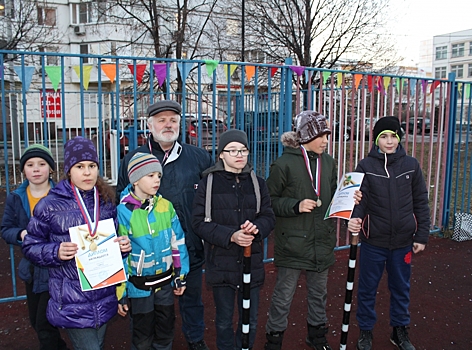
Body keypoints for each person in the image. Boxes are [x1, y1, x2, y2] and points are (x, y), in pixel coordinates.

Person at [116, 100, 213, 350]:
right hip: (145, 255)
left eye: (173, 120)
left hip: (186, 247)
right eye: (161, 120)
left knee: (191, 299)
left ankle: (195, 339)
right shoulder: (133, 158)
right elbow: (122, 198)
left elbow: (212, 198)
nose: (167, 124)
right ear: (150, 125)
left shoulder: (200, 157)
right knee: (148, 311)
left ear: (181, 124)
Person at [22, 136, 131, 350]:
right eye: (80, 166)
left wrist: (123, 248)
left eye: (92, 166)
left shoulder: (107, 202)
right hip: (72, 300)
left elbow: (114, 244)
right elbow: (29, 246)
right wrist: (55, 251)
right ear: (69, 170)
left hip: (104, 295)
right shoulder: (49, 205)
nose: (87, 172)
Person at [264, 111, 361, 350]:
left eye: (327, 134)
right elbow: (269, 201)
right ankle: (273, 342)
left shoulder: (328, 161)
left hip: (321, 241)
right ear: (306, 135)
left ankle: (317, 338)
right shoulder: (283, 164)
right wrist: (295, 205)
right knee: (283, 298)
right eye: (320, 135)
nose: (326, 140)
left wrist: (349, 199)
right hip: (293, 243)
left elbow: (330, 198)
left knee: (319, 295)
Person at [347, 116, 430, 350]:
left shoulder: (411, 165)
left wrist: (422, 235)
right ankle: (365, 331)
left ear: (399, 138)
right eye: (384, 136)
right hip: (374, 240)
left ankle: (400, 330)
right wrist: (354, 218)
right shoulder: (365, 166)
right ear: (376, 140)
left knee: (401, 288)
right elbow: (358, 201)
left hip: (403, 241)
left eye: (393, 136)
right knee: (367, 289)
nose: (389, 141)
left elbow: (421, 201)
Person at [192, 129, 275, 350]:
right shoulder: (207, 184)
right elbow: (199, 223)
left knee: (251, 320)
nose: (239, 155)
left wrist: (256, 228)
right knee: (224, 321)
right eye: (233, 150)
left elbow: (268, 216)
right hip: (222, 263)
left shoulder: (258, 183)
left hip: (252, 263)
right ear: (221, 154)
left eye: (243, 150)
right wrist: (231, 236)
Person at [116, 152, 190, 350]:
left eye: (158, 175)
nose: (156, 180)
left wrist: (180, 275)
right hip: (139, 287)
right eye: (150, 176)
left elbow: (178, 242)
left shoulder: (166, 206)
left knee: (166, 329)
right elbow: (120, 254)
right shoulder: (124, 211)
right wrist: (121, 291)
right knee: (142, 334)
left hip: (165, 283)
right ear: (135, 179)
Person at [1, 144, 68, 350]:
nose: (36, 169)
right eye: (30, 164)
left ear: (50, 169)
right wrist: (21, 234)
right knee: (35, 320)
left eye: (42, 164)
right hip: (31, 268)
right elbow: (6, 229)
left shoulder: (62, 196)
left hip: (56, 268)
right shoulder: (16, 198)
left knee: (44, 323)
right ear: (23, 170)